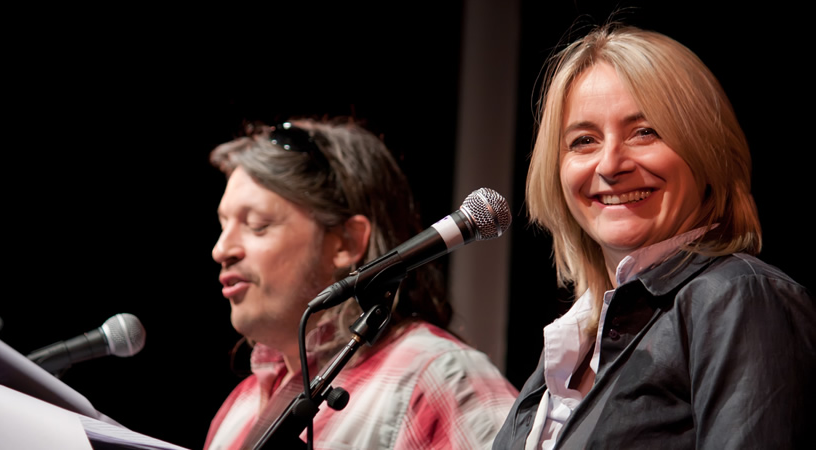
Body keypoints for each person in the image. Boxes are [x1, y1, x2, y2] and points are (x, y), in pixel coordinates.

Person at [492, 23, 816, 449]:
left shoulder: (738, 297)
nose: (610, 164)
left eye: (645, 132)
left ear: (705, 148)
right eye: (584, 140)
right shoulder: (579, 338)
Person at [204, 117, 518, 449]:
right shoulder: (239, 407)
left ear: (345, 243)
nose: (221, 250)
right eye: (223, 224)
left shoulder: (438, 378)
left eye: (257, 224)